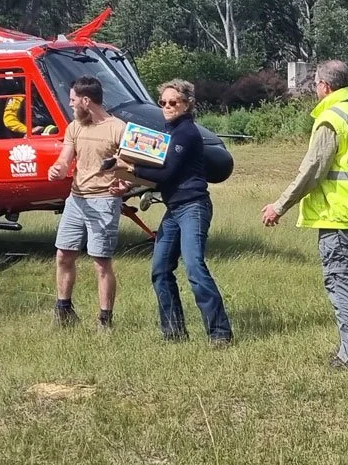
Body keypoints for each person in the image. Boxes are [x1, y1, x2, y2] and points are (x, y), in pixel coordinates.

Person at [261, 60, 348, 369]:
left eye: (315, 83)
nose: (315, 88)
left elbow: (312, 172)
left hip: (338, 214)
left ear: (324, 87)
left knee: (341, 282)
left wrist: (279, 206)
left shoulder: (331, 118)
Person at [132, 80, 233, 346]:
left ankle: (220, 332)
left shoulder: (186, 132)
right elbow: (159, 172)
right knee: (160, 270)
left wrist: (131, 170)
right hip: (174, 209)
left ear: (187, 105)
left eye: (173, 102)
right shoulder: (170, 131)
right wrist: (128, 176)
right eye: (163, 102)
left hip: (193, 207)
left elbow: (166, 172)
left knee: (195, 268)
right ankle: (173, 332)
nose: (166, 107)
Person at [47, 75, 128, 330]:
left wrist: (125, 184)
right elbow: (65, 158)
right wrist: (58, 168)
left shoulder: (118, 128)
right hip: (77, 200)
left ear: (86, 100)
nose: (70, 105)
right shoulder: (75, 127)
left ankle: (105, 319)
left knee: (100, 261)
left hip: (104, 201)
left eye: (73, 100)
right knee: (63, 255)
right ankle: (64, 310)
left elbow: (130, 166)